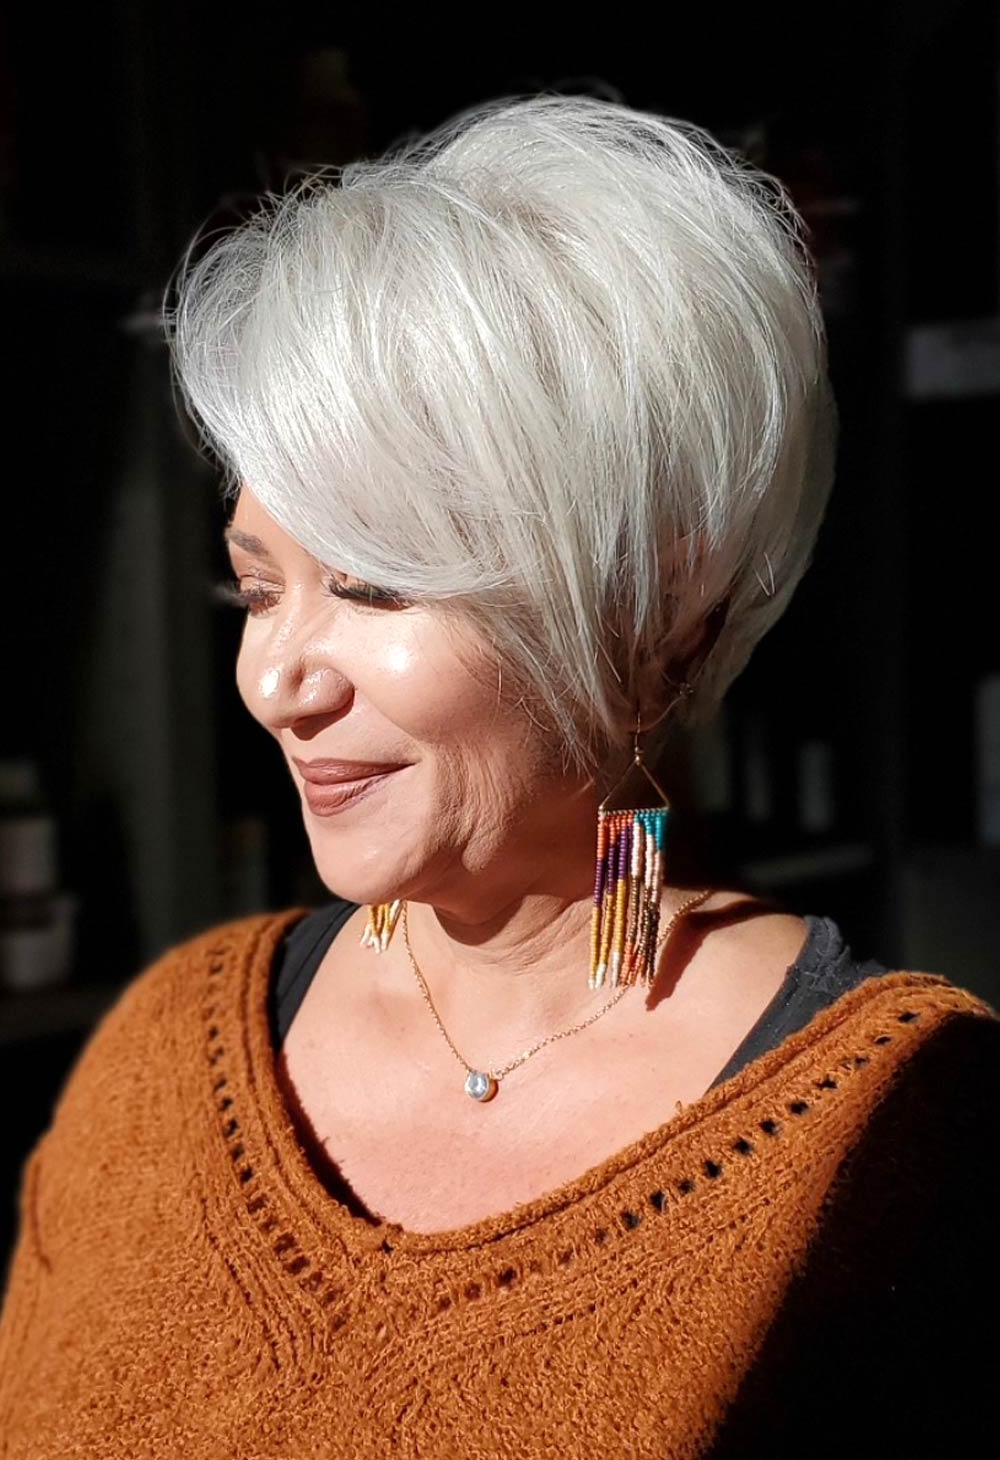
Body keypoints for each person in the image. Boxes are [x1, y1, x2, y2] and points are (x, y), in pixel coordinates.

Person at [0, 93, 997, 1459]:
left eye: (373, 583)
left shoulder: (905, 1137)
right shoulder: (157, 1066)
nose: (279, 678)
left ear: (658, 612)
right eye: (256, 588)